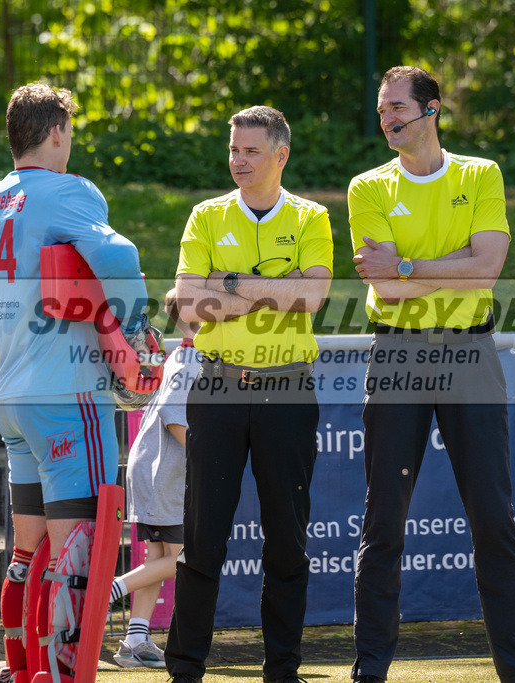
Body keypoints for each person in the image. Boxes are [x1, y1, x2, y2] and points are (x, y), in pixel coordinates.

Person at [348, 66, 515, 683]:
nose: (387, 118)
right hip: (397, 353)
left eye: (397, 108)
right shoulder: (367, 187)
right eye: (382, 109)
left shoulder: (480, 173)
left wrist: (407, 266)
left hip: (470, 353)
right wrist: (446, 267)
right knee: (383, 521)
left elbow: (487, 270)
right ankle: (369, 670)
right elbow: (384, 287)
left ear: (431, 110)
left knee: (494, 517)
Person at [0, 82, 150, 682]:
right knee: (79, 554)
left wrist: (19, 340)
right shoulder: (70, 190)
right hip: (69, 396)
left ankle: (19, 671)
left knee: (27, 554)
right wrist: (135, 332)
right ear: (58, 132)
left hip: (12, 395)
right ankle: (60, 676)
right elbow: (120, 257)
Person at [165, 105, 332, 683]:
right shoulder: (207, 215)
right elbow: (189, 303)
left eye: (250, 151)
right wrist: (274, 289)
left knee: (287, 541)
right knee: (202, 538)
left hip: (288, 391)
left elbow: (312, 298)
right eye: (234, 150)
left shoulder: (311, 217)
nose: (238, 160)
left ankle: (282, 669)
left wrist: (229, 283)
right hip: (218, 388)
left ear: (280, 155)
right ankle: (185, 669)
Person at [108, 290, 200, 669]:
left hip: (153, 470)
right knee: (183, 557)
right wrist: (211, 458)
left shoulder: (181, 354)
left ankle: (135, 640)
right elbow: (175, 419)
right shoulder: (193, 359)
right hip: (165, 474)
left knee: (159, 557)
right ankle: (109, 590)